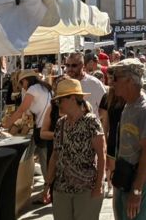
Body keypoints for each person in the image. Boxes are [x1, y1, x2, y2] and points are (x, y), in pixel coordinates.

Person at [46, 78, 106, 220]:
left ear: (73, 99)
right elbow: (55, 155)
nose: (58, 104)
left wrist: (99, 186)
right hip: (61, 188)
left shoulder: (91, 122)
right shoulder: (61, 123)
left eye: (60, 100)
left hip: (86, 189)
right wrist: (47, 184)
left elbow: (101, 155)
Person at [108, 59, 146, 220]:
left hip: (139, 178)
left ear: (129, 80)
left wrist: (137, 191)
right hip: (126, 176)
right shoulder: (129, 105)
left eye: (115, 78)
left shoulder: (145, 109)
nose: (111, 83)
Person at [5, 70, 55, 205]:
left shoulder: (33, 89)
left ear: (26, 80)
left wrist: (6, 125)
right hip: (47, 126)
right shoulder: (45, 87)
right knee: (46, 159)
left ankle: (48, 193)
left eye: (22, 83)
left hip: (42, 128)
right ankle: (48, 192)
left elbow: (21, 110)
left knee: (45, 162)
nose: (22, 86)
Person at [99, 83, 126, 201]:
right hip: (113, 136)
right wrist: (103, 138)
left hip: (127, 136)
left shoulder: (128, 95)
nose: (111, 82)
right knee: (112, 165)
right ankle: (111, 186)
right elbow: (105, 121)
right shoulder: (107, 97)